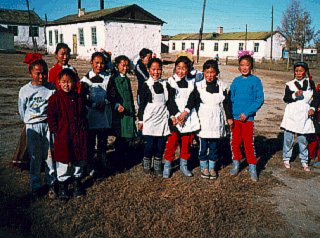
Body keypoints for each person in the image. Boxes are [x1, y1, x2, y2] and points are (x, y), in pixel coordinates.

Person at [185, 59, 232, 179]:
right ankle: (204, 167)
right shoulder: (199, 86)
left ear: (216, 73)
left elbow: (226, 103)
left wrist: (229, 117)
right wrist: (185, 112)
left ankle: (212, 168)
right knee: (203, 146)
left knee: (214, 146)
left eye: (212, 72)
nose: (209, 75)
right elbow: (191, 101)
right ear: (203, 73)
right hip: (204, 119)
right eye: (207, 72)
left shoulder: (222, 86)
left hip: (216, 119)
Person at [18, 53, 56, 198]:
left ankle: (51, 183)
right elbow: (22, 110)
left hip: (47, 125)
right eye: (38, 73)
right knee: (35, 156)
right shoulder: (25, 90)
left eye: (44, 73)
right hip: (33, 126)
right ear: (31, 73)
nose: (41, 77)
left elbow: (54, 108)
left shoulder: (51, 88)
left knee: (49, 155)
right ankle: (35, 185)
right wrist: (29, 122)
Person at [47, 69, 88, 200]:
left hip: (78, 134)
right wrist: (57, 130)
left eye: (69, 82)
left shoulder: (79, 97)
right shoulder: (55, 98)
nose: (66, 85)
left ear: (75, 83)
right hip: (63, 135)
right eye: (63, 82)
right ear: (58, 82)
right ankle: (63, 185)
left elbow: (83, 114)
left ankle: (77, 182)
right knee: (63, 160)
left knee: (78, 159)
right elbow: (51, 117)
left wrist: (83, 127)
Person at [162, 56, 200, 178]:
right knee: (172, 141)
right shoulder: (170, 81)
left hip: (188, 116)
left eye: (184, 68)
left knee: (186, 142)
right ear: (175, 68)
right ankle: (168, 165)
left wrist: (185, 112)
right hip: (174, 116)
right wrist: (177, 115)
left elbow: (193, 98)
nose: (181, 71)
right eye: (178, 68)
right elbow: (169, 101)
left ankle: (184, 165)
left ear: (188, 69)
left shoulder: (192, 82)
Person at [138, 58, 177, 176]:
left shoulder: (165, 85)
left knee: (160, 144)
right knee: (150, 144)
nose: (156, 72)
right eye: (153, 69)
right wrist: (140, 120)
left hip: (162, 118)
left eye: (159, 69)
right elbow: (142, 105)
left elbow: (170, 102)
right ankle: (146, 163)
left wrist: (173, 116)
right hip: (150, 119)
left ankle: (157, 165)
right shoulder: (145, 86)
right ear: (148, 70)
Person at [229, 54, 264, 181]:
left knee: (248, 143)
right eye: (242, 65)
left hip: (247, 119)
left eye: (247, 65)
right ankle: (236, 162)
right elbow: (230, 98)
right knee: (235, 142)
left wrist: (248, 113)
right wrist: (231, 116)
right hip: (235, 118)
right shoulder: (236, 81)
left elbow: (259, 99)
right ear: (239, 67)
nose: (244, 68)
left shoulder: (255, 81)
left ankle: (252, 166)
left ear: (251, 67)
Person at [280, 62, 317, 172]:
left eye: (301, 71)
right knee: (288, 138)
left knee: (303, 139)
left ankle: (304, 160)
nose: (298, 73)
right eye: (296, 71)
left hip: (304, 113)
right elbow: (286, 99)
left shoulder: (310, 83)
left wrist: (313, 108)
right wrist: (294, 95)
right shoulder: (290, 84)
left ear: (305, 71)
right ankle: (286, 158)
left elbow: (316, 98)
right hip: (292, 113)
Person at [80, 52, 112, 176]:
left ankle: (103, 160)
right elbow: (83, 97)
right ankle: (90, 164)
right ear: (91, 63)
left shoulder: (108, 78)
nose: (99, 66)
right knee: (90, 141)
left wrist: (105, 102)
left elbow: (112, 94)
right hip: (91, 116)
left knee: (103, 140)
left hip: (103, 115)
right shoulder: (85, 80)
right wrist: (93, 104)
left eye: (102, 63)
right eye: (97, 63)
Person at [107, 55, 137, 168]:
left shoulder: (127, 79)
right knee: (121, 137)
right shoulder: (114, 79)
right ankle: (119, 161)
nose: (125, 68)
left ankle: (126, 159)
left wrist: (133, 110)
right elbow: (111, 94)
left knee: (128, 137)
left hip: (128, 112)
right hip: (120, 114)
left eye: (127, 66)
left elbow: (129, 95)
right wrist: (116, 105)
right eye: (122, 65)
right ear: (117, 65)